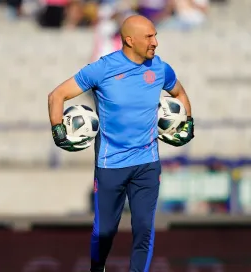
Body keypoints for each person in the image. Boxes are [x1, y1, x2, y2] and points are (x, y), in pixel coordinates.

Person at [47, 14, 194, 272]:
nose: (156, 42)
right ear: (129, 40)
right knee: (103, 232)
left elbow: (179, 93)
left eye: (155, 35)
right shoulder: (102, 69)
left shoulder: (160, 68)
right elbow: (57, 95)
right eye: (149, 37)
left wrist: (188, 122)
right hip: (110, 164)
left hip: (147, 165)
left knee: (144, 230)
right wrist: (58, 130)